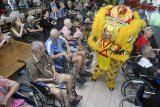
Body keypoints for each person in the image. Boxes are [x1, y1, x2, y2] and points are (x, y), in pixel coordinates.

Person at [26, 41, 83, 107]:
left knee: (70, 77)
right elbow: (35, 80)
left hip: (52, 75)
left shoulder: (43, 54)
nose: (45, 49)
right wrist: (51, 79)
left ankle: (70, 97)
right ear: (39, 50)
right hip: (44, 83)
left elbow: (52, 62)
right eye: (43, 48)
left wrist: (54, 73)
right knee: (58, 92)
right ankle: (65, 105)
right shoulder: (31, 64)